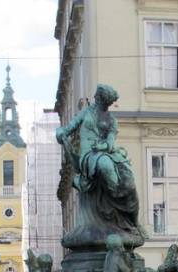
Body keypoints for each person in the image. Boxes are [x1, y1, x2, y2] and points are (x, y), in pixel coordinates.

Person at [56, 84, 145, 249]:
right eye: (101, 100)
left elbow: (111, 142)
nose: (101, 104)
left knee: (128, 180)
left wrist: (103, 146)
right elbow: (69, 128)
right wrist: (61, 132)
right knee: (105, 165)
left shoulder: (111, 120)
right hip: (88, 155)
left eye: (105, 102)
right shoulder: (86, 112)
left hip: (105, 151)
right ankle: (114, 200)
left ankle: (129, 219)